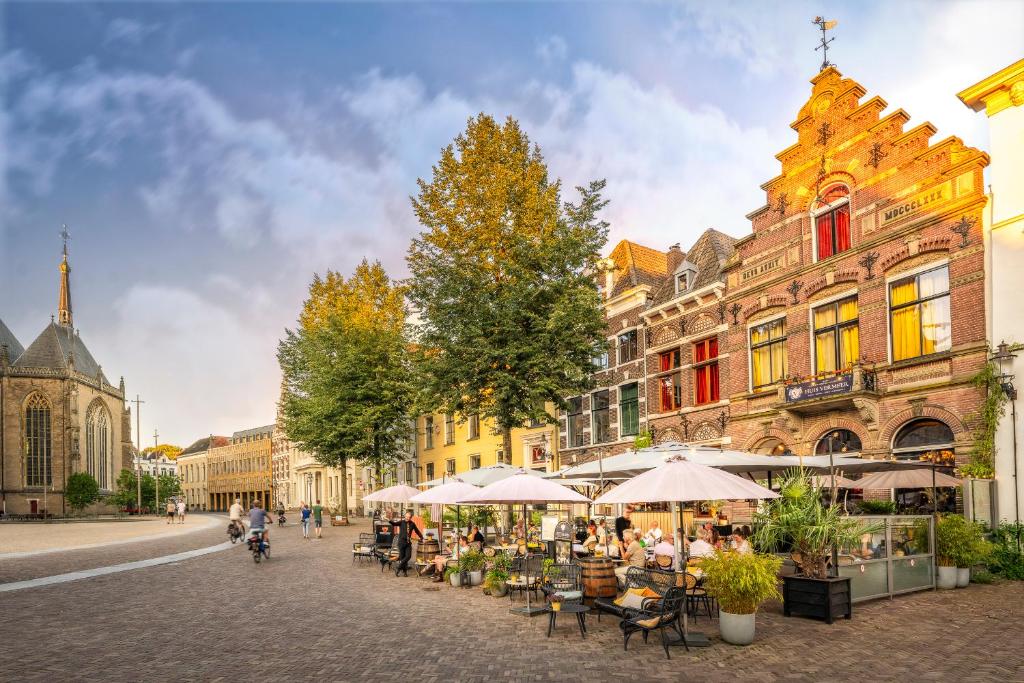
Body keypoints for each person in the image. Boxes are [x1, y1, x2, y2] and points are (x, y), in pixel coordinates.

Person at [393, 509, 424, 577]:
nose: (407, 518)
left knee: (408, 556)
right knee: (402, 557)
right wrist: (389, 520)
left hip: (407, 543)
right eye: (406, 516)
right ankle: (404, 572)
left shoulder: (412, 524)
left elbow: (417, 531)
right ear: (405, 516)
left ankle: (398, 566)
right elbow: (394, 524)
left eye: (409, 517)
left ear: (411, 517)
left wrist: (421, 537)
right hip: (401, 543)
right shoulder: (401, 522)